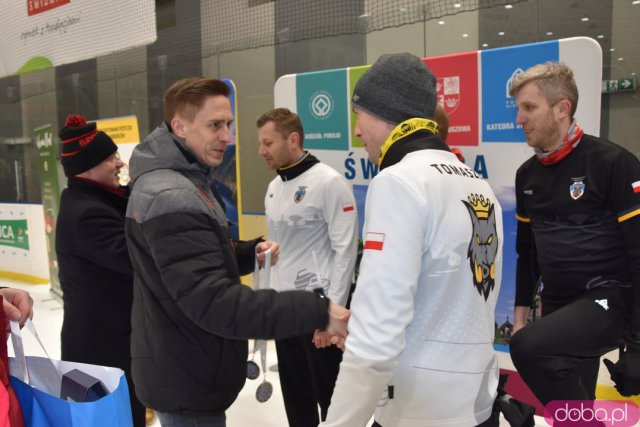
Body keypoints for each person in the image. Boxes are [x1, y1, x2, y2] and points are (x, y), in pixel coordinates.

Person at [125, 77, 349, 427]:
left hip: (188, 363)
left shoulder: (182, 182)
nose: (227, 137)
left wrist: (245, 254)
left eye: (228, 124)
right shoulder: (172, 193)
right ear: (180, 126)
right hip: (189, 373)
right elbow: (215, 301)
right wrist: (318, 310)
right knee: (299, 395)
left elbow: (191, 261)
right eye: (215, 125)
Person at [321, 53, 504, 427]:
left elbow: (377, 337)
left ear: (384, 112)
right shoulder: (477, 183)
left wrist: (339, 423)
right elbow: (448, 295)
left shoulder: (398, 181)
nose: (357, 132)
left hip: (420, 409)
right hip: (476, 403)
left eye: (359, 115)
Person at [509, 62, 640, 402]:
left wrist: (639, 345)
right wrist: (521, 316)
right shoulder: (527, 175)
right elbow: (528, 253)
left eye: (529, 107)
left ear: (562, 108)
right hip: (559, 306)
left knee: (526, 348)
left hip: (609, 300)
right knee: (574, 403)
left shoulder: (613, 163)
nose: (519, 119)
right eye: (518, 109)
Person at [257, 107, 358, 426]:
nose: (261, 151)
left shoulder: (329, 182)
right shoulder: (273, 187)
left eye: (268, 143)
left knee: (332, 400)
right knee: (296, 398)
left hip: (319, 308)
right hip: (284, 308)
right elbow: (278, 251)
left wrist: (334, 312)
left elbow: (346, 250)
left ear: (293, 139)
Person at [55, 114, 145, 427]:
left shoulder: (97, 201)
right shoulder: (87, 214)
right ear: (87, 168)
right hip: (98, 356)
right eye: (111, 158)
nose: (120, 164)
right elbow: (139, 261)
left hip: (107, 349)